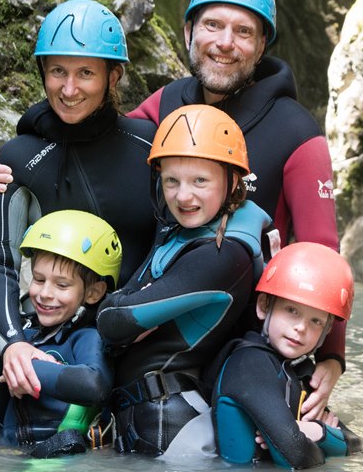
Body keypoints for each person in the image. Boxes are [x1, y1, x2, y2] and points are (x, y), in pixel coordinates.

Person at [0, 0, 345, 421]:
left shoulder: (298, 132)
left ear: (262, 44)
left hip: (252, 342)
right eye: (212, 25)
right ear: (188, 31)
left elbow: (323, 254)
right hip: (150, 336)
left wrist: (331, 357)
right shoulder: (168, 104)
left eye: (243, 31)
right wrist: (13, 152)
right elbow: (91, 126)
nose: (225, 42)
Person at [0, 0, 156, 403]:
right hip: (44, 342)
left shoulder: (151, 148)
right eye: (58, 71)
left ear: (113, 76)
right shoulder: (17, 158)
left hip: (137, 346)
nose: (69, 89)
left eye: (85, 73)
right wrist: (13, 344)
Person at [95, 104, 273, 456]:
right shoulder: (179, 232)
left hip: (174, 433)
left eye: (200, 181)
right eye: (171, 180)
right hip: (143, 423)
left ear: (233, 180)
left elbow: (113, 321)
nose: (183, 196)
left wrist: (126, 306)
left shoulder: (225, 255)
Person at [0, 210, 122, 457]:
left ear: (93, 293)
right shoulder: (25, 338)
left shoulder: (86, 337)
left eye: (62, 285)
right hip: (9, 455)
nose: (45, 293)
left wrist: (27, 367)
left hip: (54, 457)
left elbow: (95, 385)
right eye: (38, 279)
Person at [211, 242, 363, 468]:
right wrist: (320, 436)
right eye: (292, 311)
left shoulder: (297, 371)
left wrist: (315, 432)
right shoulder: (249, 364)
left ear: (326, 331)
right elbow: (296, 456)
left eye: (315, 321)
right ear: (263, 306)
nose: (301, 327)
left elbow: (356, 444)